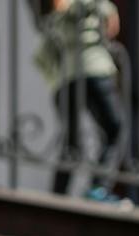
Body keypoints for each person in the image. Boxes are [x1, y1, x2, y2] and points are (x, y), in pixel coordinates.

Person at [37, 0, 130, 199]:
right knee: (115, 128)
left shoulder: (56, 18)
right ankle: (99, 188)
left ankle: (58, 195)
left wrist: (54, 80)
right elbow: (110, 20)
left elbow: (42, 55)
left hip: (66, 78)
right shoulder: (88, 5)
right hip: (94, 70)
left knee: (72, 141)